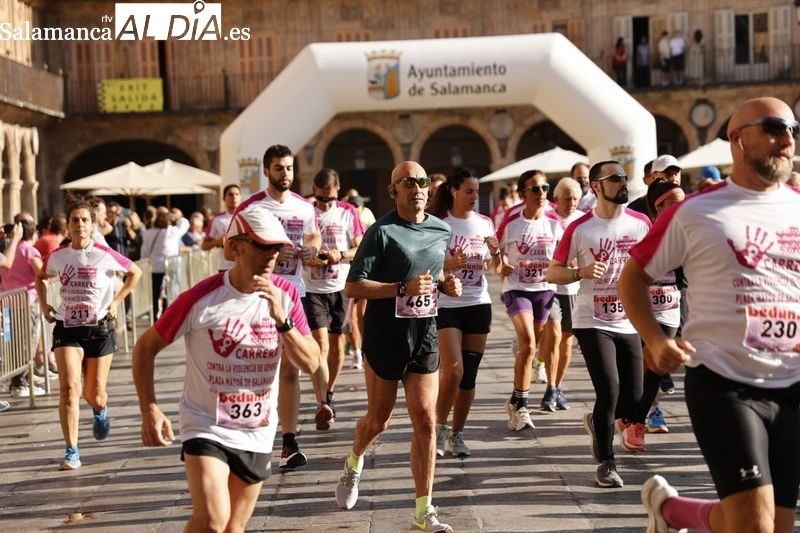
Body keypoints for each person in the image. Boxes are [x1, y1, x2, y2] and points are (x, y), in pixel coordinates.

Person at [619, 97, 800, 533]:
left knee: (776, 523)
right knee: (754, 525)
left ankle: (670, 510)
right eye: (774, 127)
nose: (787, 139)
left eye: (793, 129)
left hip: (792, 383)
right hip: (724, 382)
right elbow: (633, 278)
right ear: (738, 138)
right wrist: (656, 339)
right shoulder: (693, 212)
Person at [132, 203, 319, 533]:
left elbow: (311, 362)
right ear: (235, 246)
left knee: (232, 529)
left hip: (257, 430)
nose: (271, 255)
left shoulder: (286, 295)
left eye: (276, 248)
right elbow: (145, 348)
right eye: (262, 246)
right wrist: (150, 408)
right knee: (213, 521)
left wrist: (283, 321)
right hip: (205, 425)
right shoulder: (201, 298)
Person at [334, 161, 461, 533]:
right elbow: (353, 286)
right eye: (407, 182)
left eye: (421, 181)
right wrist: (400, 289)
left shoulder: (441, 229)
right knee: (380, 420)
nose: (416, 188)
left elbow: (433, 274)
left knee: (426, 418)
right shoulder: (381, 231)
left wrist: (445, 285)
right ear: (394, 191)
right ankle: (354, 461)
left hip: (424, 333)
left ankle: (424, 510)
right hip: (384, 335)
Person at [546, 160, 652, 488]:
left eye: (625, 177)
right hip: (591, 320)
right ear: (596, 186)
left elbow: (658, 261)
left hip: (629, 320)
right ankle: (606, 463)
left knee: (634, 398)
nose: (624, 182)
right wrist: (579, 272)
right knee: (609, 389)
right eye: (616, 178)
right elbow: (553, 272)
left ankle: (596, 421)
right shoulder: (579, 229)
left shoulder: (641, 223)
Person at [231, 144, 321, 470]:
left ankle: (289, 440)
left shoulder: (304, 207)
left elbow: (313, 237)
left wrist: (310, 251)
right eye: (279, 168)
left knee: (291, 368)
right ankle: (250, 436)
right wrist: (267, 253)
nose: (286, 174)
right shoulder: (251, 207)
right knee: (256, 368)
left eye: (290, 168)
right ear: (266, 171)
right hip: (255, 296)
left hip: (293, 293)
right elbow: (230, 252)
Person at [36, 196, 142, 470]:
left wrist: (116, 302)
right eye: (75, 220)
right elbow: (40, 276)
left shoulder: (103, 254)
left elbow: (135, 272)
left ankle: (100, 409)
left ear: (92, 225)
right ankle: (72, 450)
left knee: (93, 393)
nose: (80, 225)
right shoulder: (58, 256)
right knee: (69, 388)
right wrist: (46, 304)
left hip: (99, 329)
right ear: (68, 226)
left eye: (85, 220)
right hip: (67, 328)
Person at [429, 167, 499, 457]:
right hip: (448, 305)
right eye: (468, 191)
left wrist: (496, 254)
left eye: (477, 192)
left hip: (479, 303)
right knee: (453, 371)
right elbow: (429, 267)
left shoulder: (485, 223)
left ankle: (457, 434)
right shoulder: (440, 224)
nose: (474, 197)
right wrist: (450, 263)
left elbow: (495, 270)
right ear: (454, 191)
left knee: (468, 376)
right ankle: (439, 427)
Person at [495, 170, 560, 430]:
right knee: (529, 345)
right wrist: (503, 266)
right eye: (535, 189)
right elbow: (496, 257)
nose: (542, 193)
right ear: (522, 194)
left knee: (533, 345)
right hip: (517, 289)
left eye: (545, 188)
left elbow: (566, 255)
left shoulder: (555, 222)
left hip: (545, 290)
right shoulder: (511, 222)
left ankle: (514, 399)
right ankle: (521, 406)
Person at [304, 168, 364, 431]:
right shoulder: (305, 210)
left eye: (329, 199)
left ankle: (329, 392)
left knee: (338, 347)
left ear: (337, 192)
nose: (324, 204)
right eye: (320, 199)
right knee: (321, 345)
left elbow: (360, 246)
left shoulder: (348, 212)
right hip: (311, 286)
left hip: (340, 286)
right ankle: (321, 403)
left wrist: (341, 253)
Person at [640, 179, 687, 435]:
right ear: (658, 207)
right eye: (672, 204)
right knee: (646, 362)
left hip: (670, 305)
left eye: (682, 203)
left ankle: (644, 410)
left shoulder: (687, 233)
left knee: (658, 365)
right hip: (643, 308)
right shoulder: (642, 231)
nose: (679, 208)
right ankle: (644, 414)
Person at [537, 177, 583, 411]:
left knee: (566, 341)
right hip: (549, 287)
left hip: (573, 288)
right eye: (567, 199)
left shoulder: (583, 219)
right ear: (556, 199)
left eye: (575, 198)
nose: (571, 203)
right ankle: (549, 385)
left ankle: (556, 387)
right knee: (554, 334)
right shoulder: (546, 219)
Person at [140, 207, 189, 321]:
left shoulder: (148, 233)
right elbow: (185, 223)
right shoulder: (172, 231)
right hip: (169, 267)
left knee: (155, 293)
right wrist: (177, 217)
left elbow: (144, 252)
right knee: (169, 293)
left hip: (154, 267)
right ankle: (166, 316)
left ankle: (155, 317)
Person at [202, 183, 241, 271]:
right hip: (225, 267)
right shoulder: (217, 219)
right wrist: (217, 242)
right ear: (224, 198)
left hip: (244, 267)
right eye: (230, 194)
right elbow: (204, 246)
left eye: (237, 194)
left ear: (240, 197)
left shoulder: (247, 216)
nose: (234, 197)